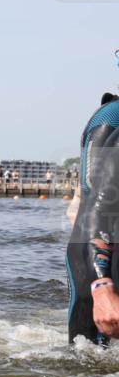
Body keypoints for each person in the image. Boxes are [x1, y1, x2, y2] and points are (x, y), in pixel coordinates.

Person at [67, 92, 119, 344]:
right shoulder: (111, 119)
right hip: (99, 247)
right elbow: (97, 212)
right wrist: (102, 288)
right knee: (88, 363)